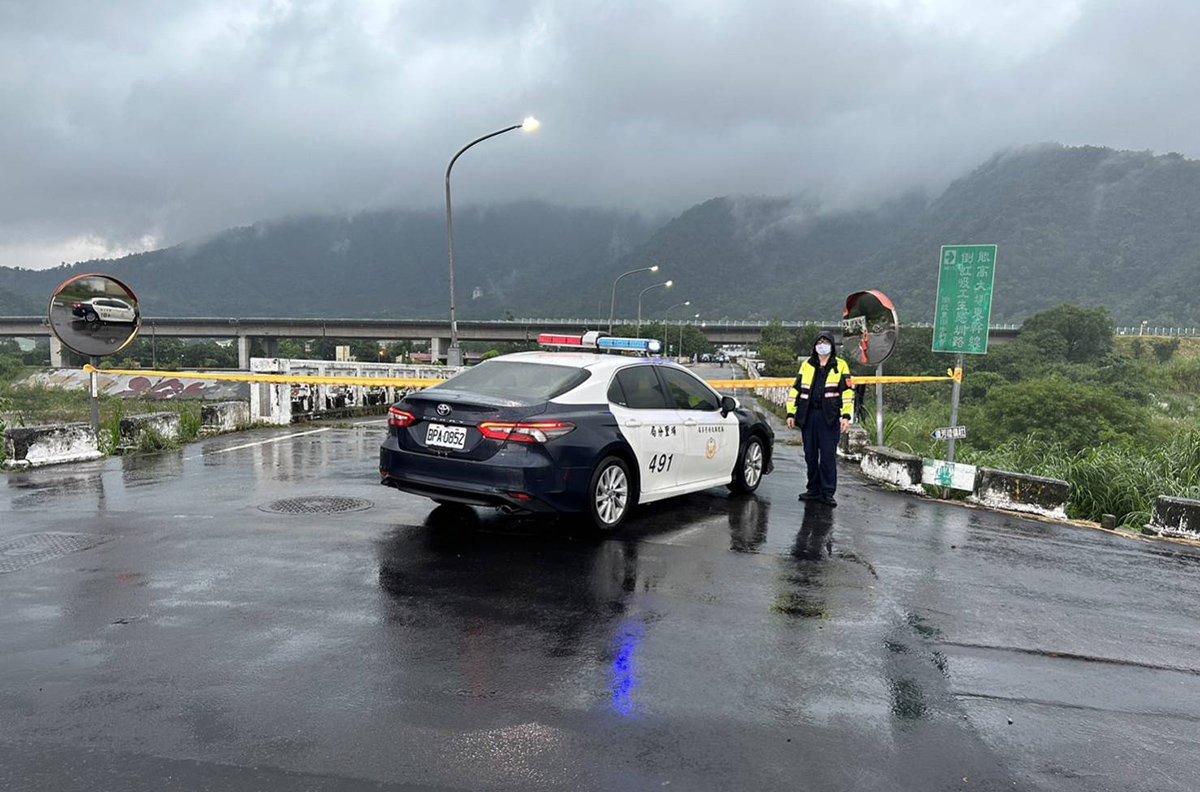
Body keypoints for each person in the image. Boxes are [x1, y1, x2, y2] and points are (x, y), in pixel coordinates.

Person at [785, 331, 855, 506]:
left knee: (827, 456)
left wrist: (846, 416)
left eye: (825, 342)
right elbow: (796, 390)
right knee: (810, 455)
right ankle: (813, 489)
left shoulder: (841, 366)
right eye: (819, 342)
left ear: (832, 345)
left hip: (829, 417)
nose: (822, 345)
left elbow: (847, 393)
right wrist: (791, 413)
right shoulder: (807, 365)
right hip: (809, 416)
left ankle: (827, 492)